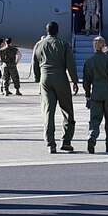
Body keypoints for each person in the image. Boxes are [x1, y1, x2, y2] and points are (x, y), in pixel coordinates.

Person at [31, 21, 79, 153]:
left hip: (45, 78)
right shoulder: (63, 44)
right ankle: (67, 141)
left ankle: (50, 143)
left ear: (46, 31)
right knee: (67, 110)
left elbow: (34, 63)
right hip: (60, 77)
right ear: (57, 31)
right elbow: (70, 64)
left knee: (48, 111)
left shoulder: (38, 44)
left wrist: (37, 79)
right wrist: (74, 81)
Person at [80, 36, 108, 153]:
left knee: (94, 120)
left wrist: (87, 95)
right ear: (104, 46)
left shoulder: (89, 62)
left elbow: (86, 81)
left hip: (96, 94)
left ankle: (92, 136)